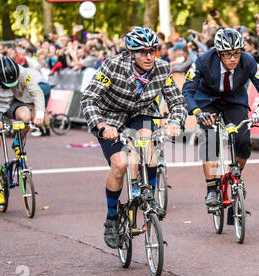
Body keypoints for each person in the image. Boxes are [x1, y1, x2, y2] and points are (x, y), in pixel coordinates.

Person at [80, 27, 188, 249]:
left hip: (142, 114)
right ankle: (111, 218)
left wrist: (176, 122)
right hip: (111, 119)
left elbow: (177, 102)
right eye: (142, 52)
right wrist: (101, 125)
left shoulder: (162, 68)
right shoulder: (112, 66)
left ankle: (148, 197)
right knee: (120, 164)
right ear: (131, 53)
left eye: (152, 51)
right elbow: (88, 98)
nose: (149, 57)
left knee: (146, 145)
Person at [182, 28, 259, 208]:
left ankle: (236, 176)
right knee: (210, 140)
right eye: (227, 54)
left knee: (243, 139)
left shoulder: (248, 61)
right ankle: (212, 190)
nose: (233, 58)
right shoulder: (203, 61)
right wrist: (197, 112)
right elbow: (187, 90)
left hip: (234, 101)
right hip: (207, 101)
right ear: (218, 53)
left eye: (237, 53)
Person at [0, 56, 45, 206]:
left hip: (13, 103)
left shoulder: (23, 72)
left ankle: (17, 143)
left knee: (26, 116)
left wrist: (40, 115)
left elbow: (37, 93)